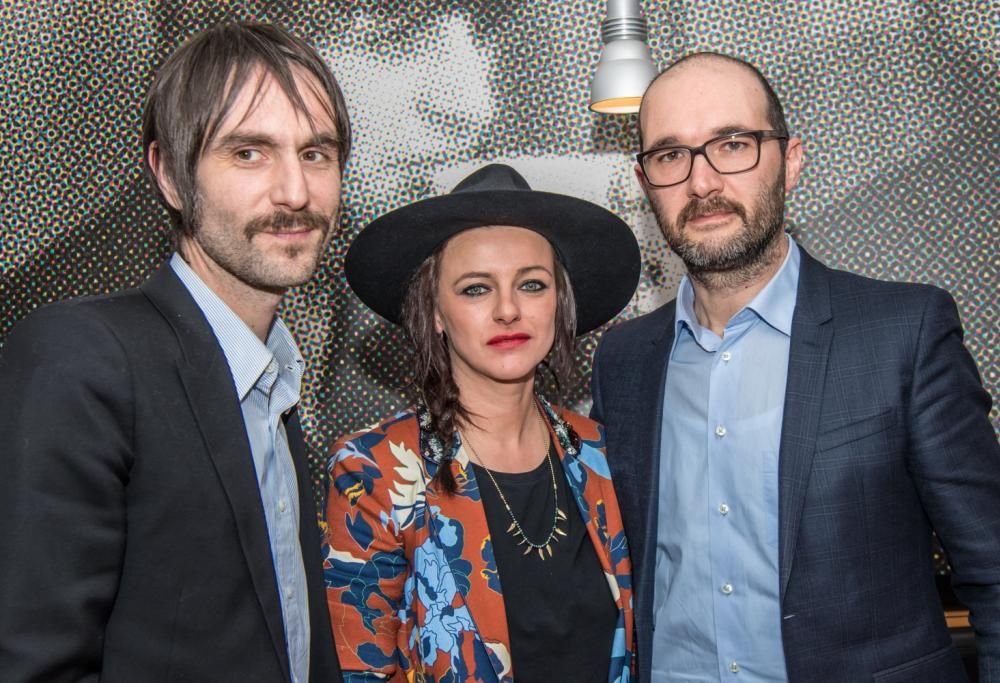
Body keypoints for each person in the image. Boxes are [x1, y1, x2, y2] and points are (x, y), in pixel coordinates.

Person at [590, 52, 1000, 682]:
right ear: (647, 184)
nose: (702, 182)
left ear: (791, 162)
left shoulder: (904, 334)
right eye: (672, 155)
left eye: (733, 144)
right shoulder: (622, 361)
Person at [0, 22, 348, 682]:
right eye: (249, 153)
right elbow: (35, 662)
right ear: (169, 175)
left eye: (316, 153)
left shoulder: (273, 380)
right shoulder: (83, 358)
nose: (295, 191)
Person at [323, 163, 640, 682]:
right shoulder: (374, 471)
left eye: (532, 284)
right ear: (436, 313)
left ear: (559, 304)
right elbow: (360, 669)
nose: (508, 310)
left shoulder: (600, 453)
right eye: (476, 289)